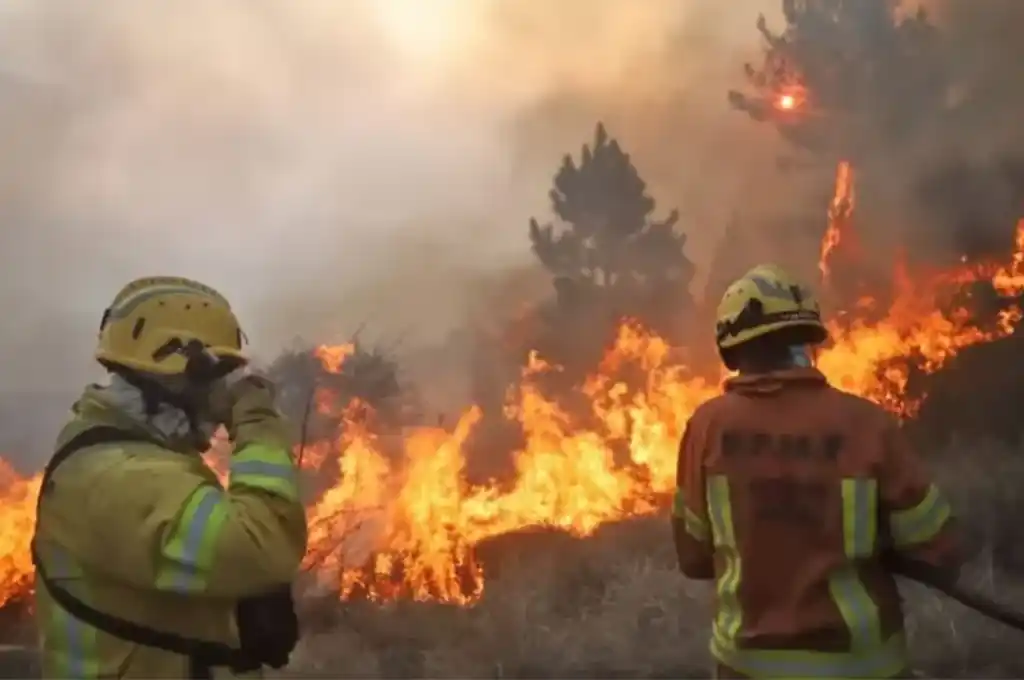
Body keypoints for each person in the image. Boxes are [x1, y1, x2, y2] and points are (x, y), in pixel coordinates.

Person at [672, 264, 960, 679]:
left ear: (733, 350)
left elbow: (693, 557)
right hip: (862, 666)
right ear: (807, 341)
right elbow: (939, 549)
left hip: (748, 667)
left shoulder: (707, 428)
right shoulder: (866, 424)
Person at [32, 276, 309, 679]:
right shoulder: (117, 476)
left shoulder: (145, 459)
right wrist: (257, 420)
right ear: (181, 375)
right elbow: (262, 547)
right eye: (220, 376)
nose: (222, 397)